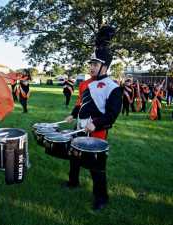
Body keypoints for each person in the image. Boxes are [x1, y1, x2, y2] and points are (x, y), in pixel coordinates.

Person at [63, 32, 122, 210]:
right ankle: (73, 182)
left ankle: (101, 198)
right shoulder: (87, 83)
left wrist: (95, 123)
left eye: (95, 64)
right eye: (90, 64)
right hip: (80, 125)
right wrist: (73, 114)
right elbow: (81, 102)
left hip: (97, 130)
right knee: (74, 155)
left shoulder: (114, 87)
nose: (91, 67)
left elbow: (112, 115)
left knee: (96, 166)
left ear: (104, 66)